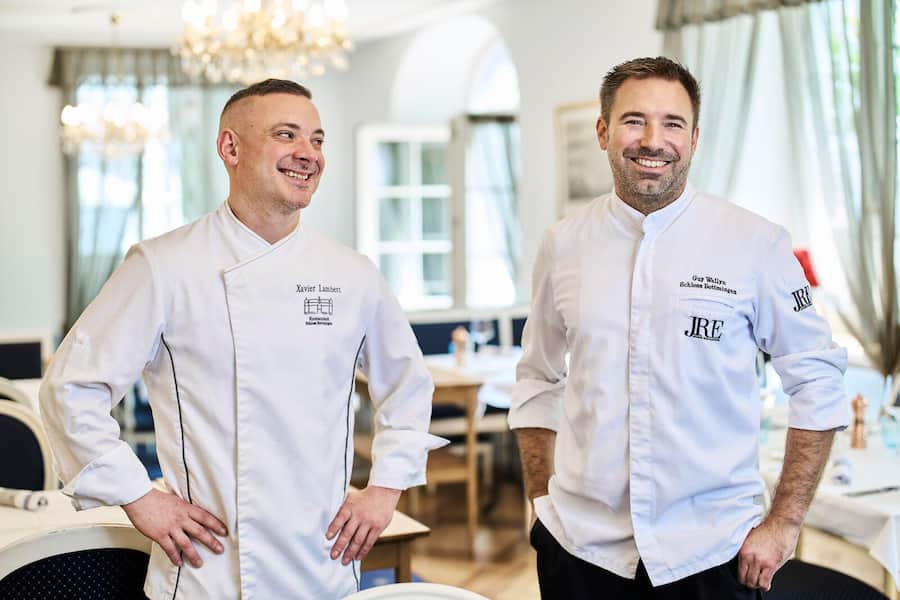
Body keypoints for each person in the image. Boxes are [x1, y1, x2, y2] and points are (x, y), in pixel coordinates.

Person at [40, 79, 446, 599]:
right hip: (209, 572)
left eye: (318, 140)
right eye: (287, 135)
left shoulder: (353, 272)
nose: (308, 154)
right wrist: (139, 497)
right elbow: (70, 388)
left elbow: (408, 386)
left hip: (322, 563)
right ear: (230, 147)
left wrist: (385, 489)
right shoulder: (163, 265)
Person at [509, 57, 847, 599]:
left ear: (694, 138)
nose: (653, 140)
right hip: (579, 550)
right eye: (633, 120)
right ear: (603, 131)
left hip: (712, 555)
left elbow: (818, 380)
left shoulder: (755, 242)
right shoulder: (563, 243)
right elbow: (536, 379)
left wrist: (784, 523)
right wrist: (538, 502)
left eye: (672, 124)